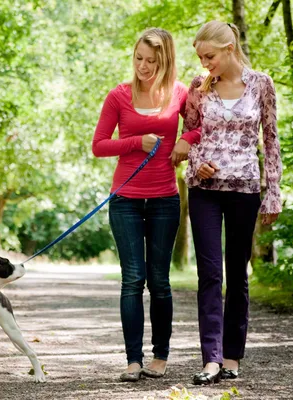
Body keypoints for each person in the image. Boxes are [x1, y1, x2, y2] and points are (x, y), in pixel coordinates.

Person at [176, 21, 282, 385]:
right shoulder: (198, 86)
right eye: (201, 57)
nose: (205, 63)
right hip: (204, 191)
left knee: (237, 276)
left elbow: (270, 140)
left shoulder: (261, 84)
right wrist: (195, 162)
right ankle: (211, 359)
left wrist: (273, 192)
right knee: (210, 274)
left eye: (210, 56)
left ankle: (233, 357)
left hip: (245, 190)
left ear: (230, 48)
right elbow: (189, 133)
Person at [92, 27, 199, 382]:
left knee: (160, 280)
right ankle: (132, 360)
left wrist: (184, 138)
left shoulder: (180, 93)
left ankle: (160, 357)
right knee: (132, 279)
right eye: (139, 58)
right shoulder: (118, 96)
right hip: (125, 200)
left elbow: (202, 127)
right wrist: (137, 141)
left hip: (166, 200)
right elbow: (99, 145)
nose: (143, 66)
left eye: (151, 61)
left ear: (165, 61)